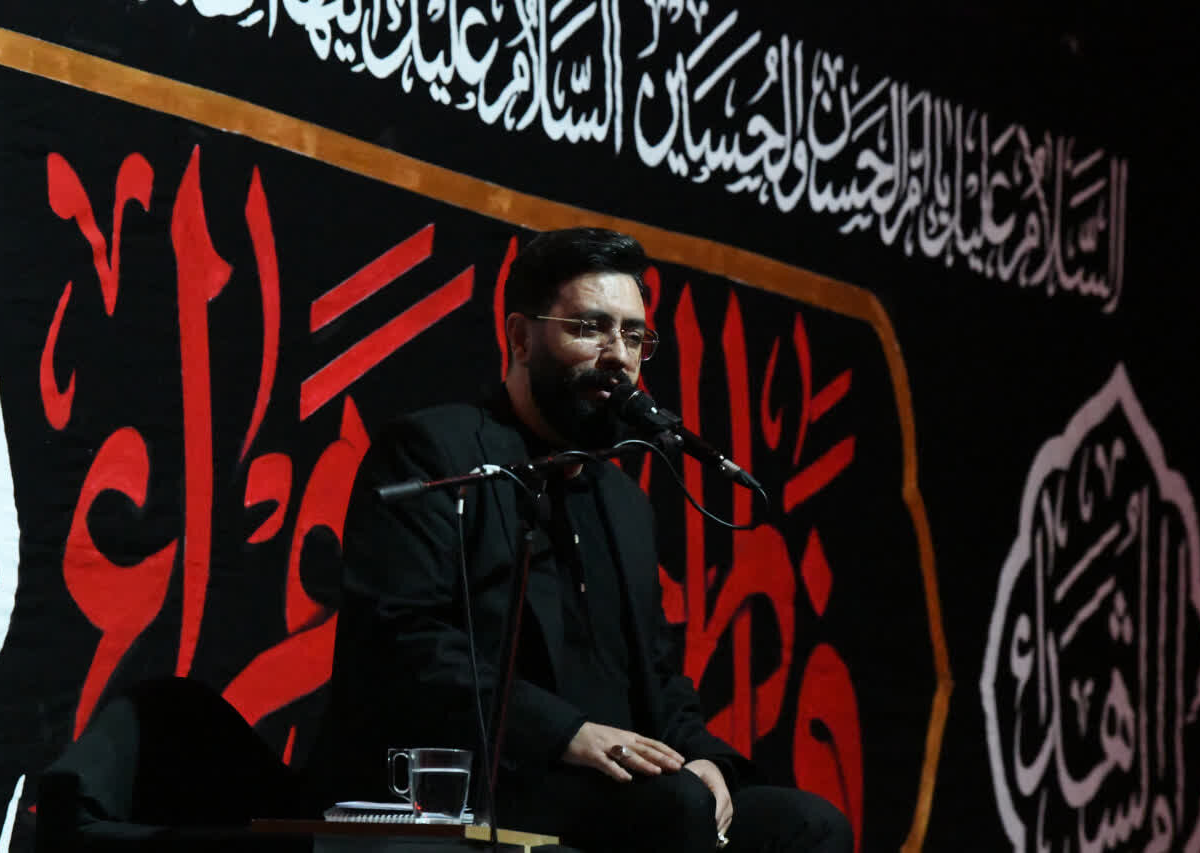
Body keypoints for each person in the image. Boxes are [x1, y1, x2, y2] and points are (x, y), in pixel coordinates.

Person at [316, 227, 853, 853]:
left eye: (634, 336)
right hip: (490, 775)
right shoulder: (438, 454)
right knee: (673, 808)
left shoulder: (622, 502)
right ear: (521, 337)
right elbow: (404, 642)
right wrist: (565, 732)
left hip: (620, 789)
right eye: (590, 328)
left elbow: (657, 678)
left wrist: (706, 759)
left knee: (808, 825)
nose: (618, 355)